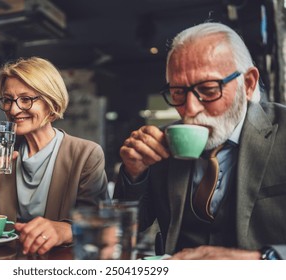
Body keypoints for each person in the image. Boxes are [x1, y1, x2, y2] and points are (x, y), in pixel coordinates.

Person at [114, 22, 286, 260]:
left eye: (208, 89)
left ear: (248, 84)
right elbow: (125, 229)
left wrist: (261, 259)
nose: (190, 110)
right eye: (177, 92)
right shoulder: (162, 144)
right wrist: (135, 174)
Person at [0, 57, 108, 255]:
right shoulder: (3, 154)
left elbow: (98, 224)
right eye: (8, 100)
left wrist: (63, 231)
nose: (14, 109)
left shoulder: (86, 154)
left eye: (26, 99)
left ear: (51, 102)